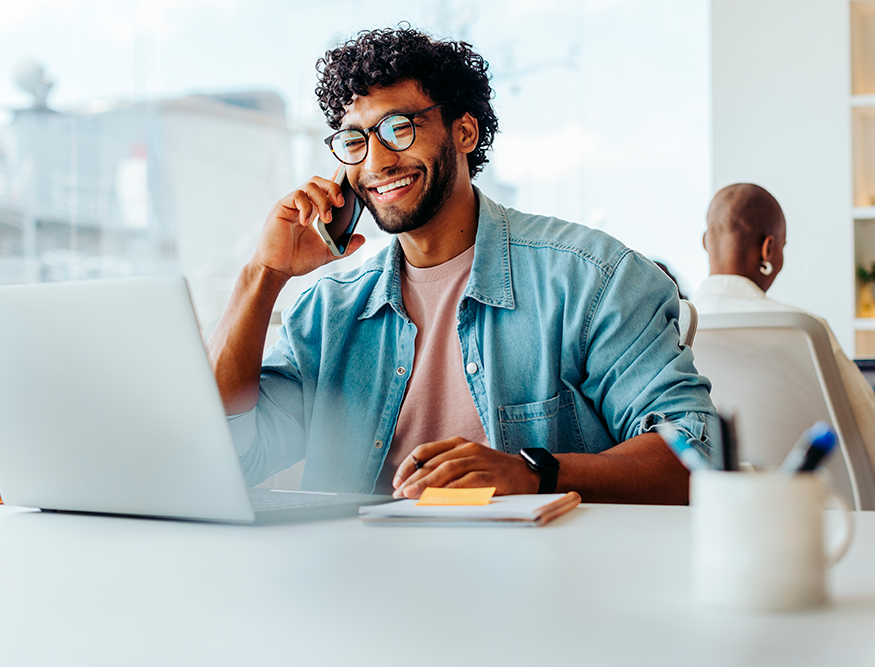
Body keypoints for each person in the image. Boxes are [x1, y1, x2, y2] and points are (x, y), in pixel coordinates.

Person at [206, 25, 716, 504]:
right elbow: (226, 457)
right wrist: (264, 274)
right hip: (356, 565)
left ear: (465, 132)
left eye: (399, 128)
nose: (376, 162)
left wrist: (533, 474)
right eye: (355, 141)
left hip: (534, 565)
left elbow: (696, 454)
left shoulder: (589, 278)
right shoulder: (328, 314)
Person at [693, 182, 875, 469]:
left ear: (706, 242)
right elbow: (870, 434)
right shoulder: (805, 330)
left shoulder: (676, 328)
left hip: (712, 495)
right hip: (810, 495)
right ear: (768, 249)